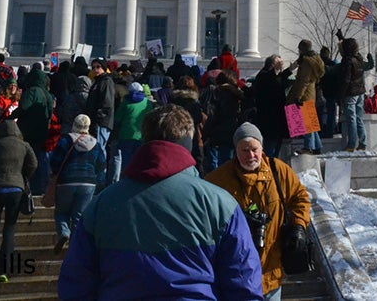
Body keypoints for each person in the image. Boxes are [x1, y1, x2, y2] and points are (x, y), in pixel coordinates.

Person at [58, 105, 263, 300]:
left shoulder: (100, 205)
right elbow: (243, 282)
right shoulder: (220, 204)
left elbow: (76, 283)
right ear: (188, 144)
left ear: (144, 139)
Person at [205, 122, 312, 301]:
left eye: (254, 149)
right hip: (237, 275)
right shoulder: (218, 180)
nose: (250, 155)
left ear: (262, 148)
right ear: (235, 151)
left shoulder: (279, 170)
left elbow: (300, 197)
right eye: (244, 150)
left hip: (272, 270)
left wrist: (298, 226)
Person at [0, 118, 38, 282]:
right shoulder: (24, 145)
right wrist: (23, 176)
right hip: (15, 188)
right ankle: (4, 268)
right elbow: (33, 164)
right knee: (10, 226)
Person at [49, 114, 105, 254]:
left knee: (61, 212)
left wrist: (56, 173)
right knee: (79, 216)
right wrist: (94, 176)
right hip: (88, 183)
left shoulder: (66, 140)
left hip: (66, 181)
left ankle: (63, 232)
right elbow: (102, 163)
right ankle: (76, 247)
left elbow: (55, 160)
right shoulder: (95, 143)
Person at [10, 63, 53, 194]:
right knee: (38, 158)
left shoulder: (32, 91)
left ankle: (26, 185)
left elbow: (23, 107)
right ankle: (39, 186)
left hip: (28, 131)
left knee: (27, 159)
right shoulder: (47, 94)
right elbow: (50, 113)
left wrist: (10, 116)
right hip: (42, 131)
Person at [288, 40, 325, 155]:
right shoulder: (317, 59)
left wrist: (298, 96)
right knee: (310, 122)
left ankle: (308, 147)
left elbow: (303, 80)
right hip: (311, 91)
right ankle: (317, 146)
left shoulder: (306, 62)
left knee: (307, 123)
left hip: (305, 93)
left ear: (302, 49)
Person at [83, 59, 116, 185]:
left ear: (103, 68)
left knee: (100, 150)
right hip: (95, 121)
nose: (95, 69)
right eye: (93, 67)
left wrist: (98, 117)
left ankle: (100, 181)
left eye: (98, 67)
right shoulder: (98, 82)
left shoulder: (106, 81)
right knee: (96, 150)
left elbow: (107, 103)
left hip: (102, 122)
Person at [252, 56, 292, 160]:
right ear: (272, 65)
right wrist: (276, 69)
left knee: (276, 146)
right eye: (278, 63)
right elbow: (270, 78)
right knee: (270, 146)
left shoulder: (273, 77)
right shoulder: (263, 75)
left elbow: (280, 77)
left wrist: (290, 69)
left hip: (277, 118)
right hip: (269, 118)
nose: (281, 65)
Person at [112, 82, 153, 183]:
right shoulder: (147, 103)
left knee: (126, 161)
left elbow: (117, 119)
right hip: (141, 136)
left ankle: (126, 181)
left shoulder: (125, 102)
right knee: (139, 160)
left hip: (125, 135)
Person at [337, 32, 369, 152]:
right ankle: (363, 142)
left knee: (351, 119)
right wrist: (342, 39)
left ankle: (351, 144)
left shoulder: (347, 61)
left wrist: (340, 95)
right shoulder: (359, 58)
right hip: (360, 92)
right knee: (359, 118)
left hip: (350, 92)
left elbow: (346, 80)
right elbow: (349, 46)